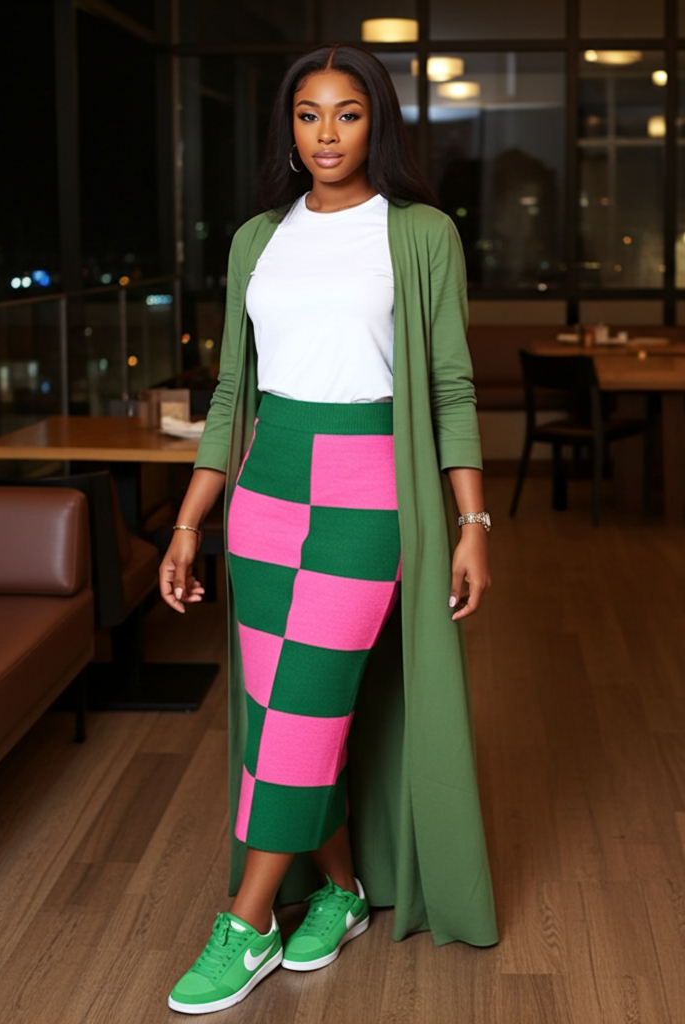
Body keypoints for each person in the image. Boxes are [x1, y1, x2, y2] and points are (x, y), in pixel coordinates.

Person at [157, 44, 497, 1015]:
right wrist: (191, 521)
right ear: (288, 128)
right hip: (264, 495)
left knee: (303, 704)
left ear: (376, 124)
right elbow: (232, 390)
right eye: (308, 116)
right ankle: (340, 890)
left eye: (347, 115)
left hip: (368, 495)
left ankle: (249, 915)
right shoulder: (255, 239)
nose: (327, 135)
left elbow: (448, 386)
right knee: (286, 713)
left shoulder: (422, 233)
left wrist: (472, 520)